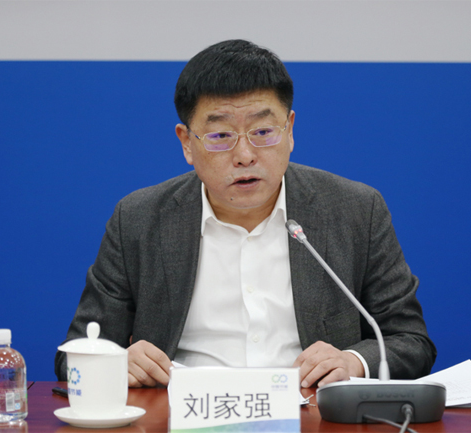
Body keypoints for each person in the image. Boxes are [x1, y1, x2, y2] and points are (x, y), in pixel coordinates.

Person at [55, 39, 436, 388]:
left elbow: (411, 341)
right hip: (182, 416)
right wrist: (116, 362)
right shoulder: (139, 219)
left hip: (311, 416)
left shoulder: (355, 210)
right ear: (186, 143)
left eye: (263, 132)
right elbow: (73, 354)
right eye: (220, 136)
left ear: (290, 130)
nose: (245, 155)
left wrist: (353, 361)